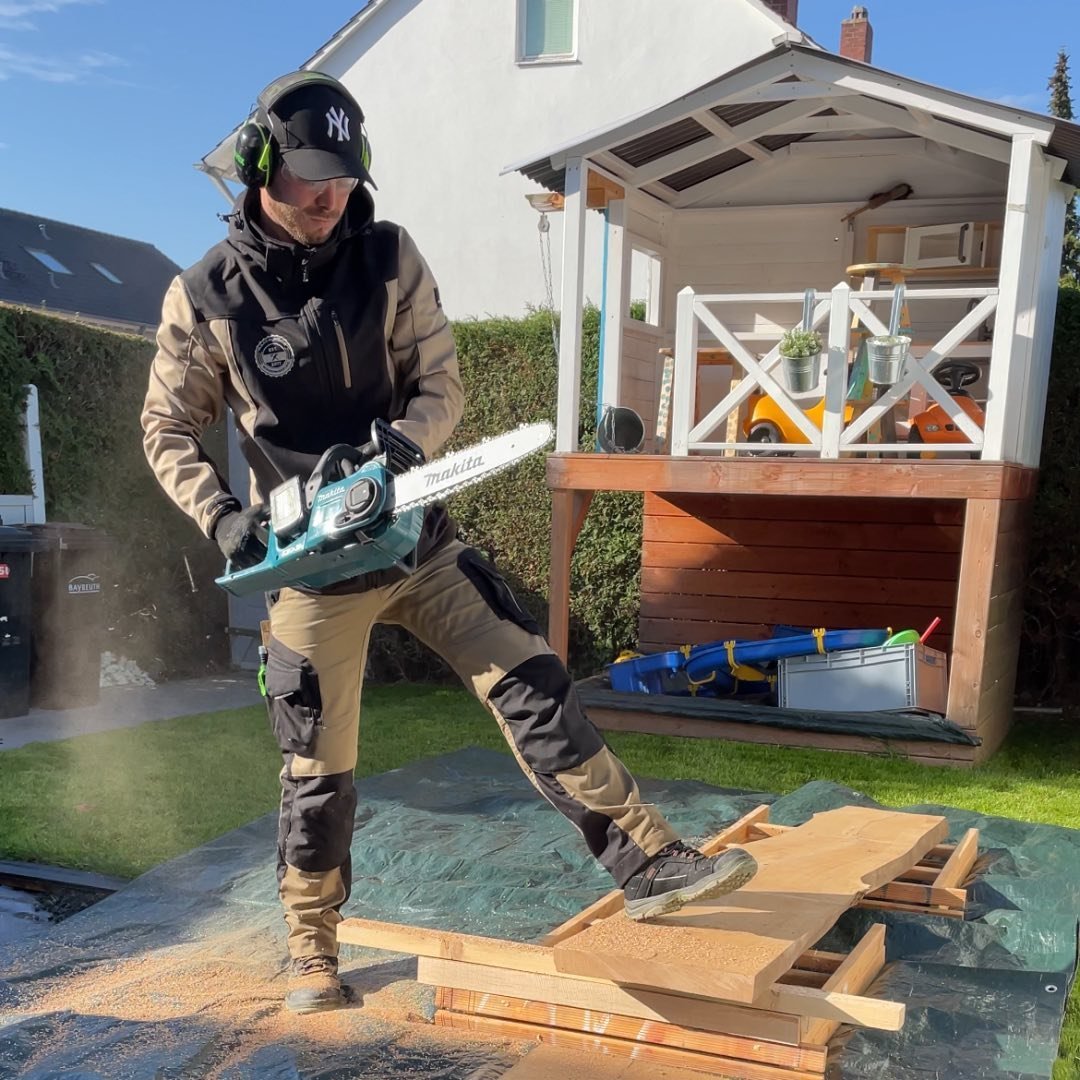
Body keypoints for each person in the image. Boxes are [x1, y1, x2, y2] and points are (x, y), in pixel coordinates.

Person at [140, 70, 757, 1015]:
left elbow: (443, 383)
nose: (327, 197)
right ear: (260, 165)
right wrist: (228, 517)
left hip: (414, 534)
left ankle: (648, 860)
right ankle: (311, 949)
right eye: (308, 178)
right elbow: (168, 430)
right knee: (317, 769)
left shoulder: (389, 256)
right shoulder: (207, 295)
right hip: (310, 575)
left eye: (341, 178)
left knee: (532, 676)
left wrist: (400, 449)